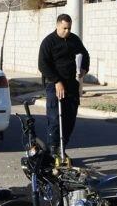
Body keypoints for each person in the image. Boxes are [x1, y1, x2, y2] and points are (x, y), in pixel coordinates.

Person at [38, 14, 90, 158]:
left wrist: (84, 69)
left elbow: (85, 54)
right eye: (64, 28)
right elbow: (43, 65)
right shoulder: (49, 42)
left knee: (70, 118)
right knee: (55, 119)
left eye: (69, 28)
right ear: (57, 26)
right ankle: (53, 149)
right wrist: (56, 81)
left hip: (71, 84)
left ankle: (62, 148)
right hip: (53, 84)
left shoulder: (74, 40)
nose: (67, 31)